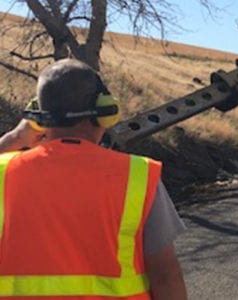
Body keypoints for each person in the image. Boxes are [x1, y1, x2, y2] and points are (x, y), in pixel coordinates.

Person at [0, 59, 187, 299]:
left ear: (38, 118)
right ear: (106, 112)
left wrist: (15, 138)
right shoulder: (138, 176)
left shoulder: (5, 173)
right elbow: (166, 276)